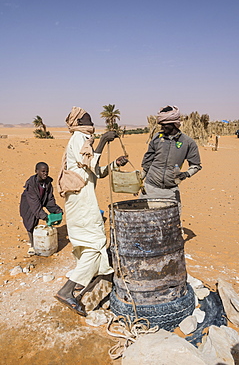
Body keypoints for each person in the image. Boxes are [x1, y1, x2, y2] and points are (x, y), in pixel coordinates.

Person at [55, 106, 128, 316]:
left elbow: (95, 171)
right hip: (81, 202)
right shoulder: (79, 138)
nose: (90, 118)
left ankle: (81, 281)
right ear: (78, 123)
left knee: (86, 244)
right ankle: (67, 290)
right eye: (86, 117)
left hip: (83, 202)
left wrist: (115, 164)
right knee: (95, 245)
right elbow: (91, 163)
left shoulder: (85, 142)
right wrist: (104, 140)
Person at [140, 105, 202, 211]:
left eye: (165, 125)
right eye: (161, 125)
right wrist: (139, 180)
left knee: (170, 224)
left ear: (174, 124)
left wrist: (186, 174)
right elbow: (147, 162)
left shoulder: (188, 142)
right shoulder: (157, 138)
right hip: (150, 189)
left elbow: (196, 165)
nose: (162, 128)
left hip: (170, 192)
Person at [20, 162, 63, 256]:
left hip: (39, 202)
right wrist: (45, 217)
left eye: (47, 171)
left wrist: (57, 210)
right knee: (30, 224)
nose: (45, 173)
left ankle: (39, 242)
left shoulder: (47, 184)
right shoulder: (31, 185)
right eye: (43, 171)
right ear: (36, 171)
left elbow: (49, 199)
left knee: (36, 221)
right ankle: (32, 245)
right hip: (28, 205)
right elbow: (34, 205)